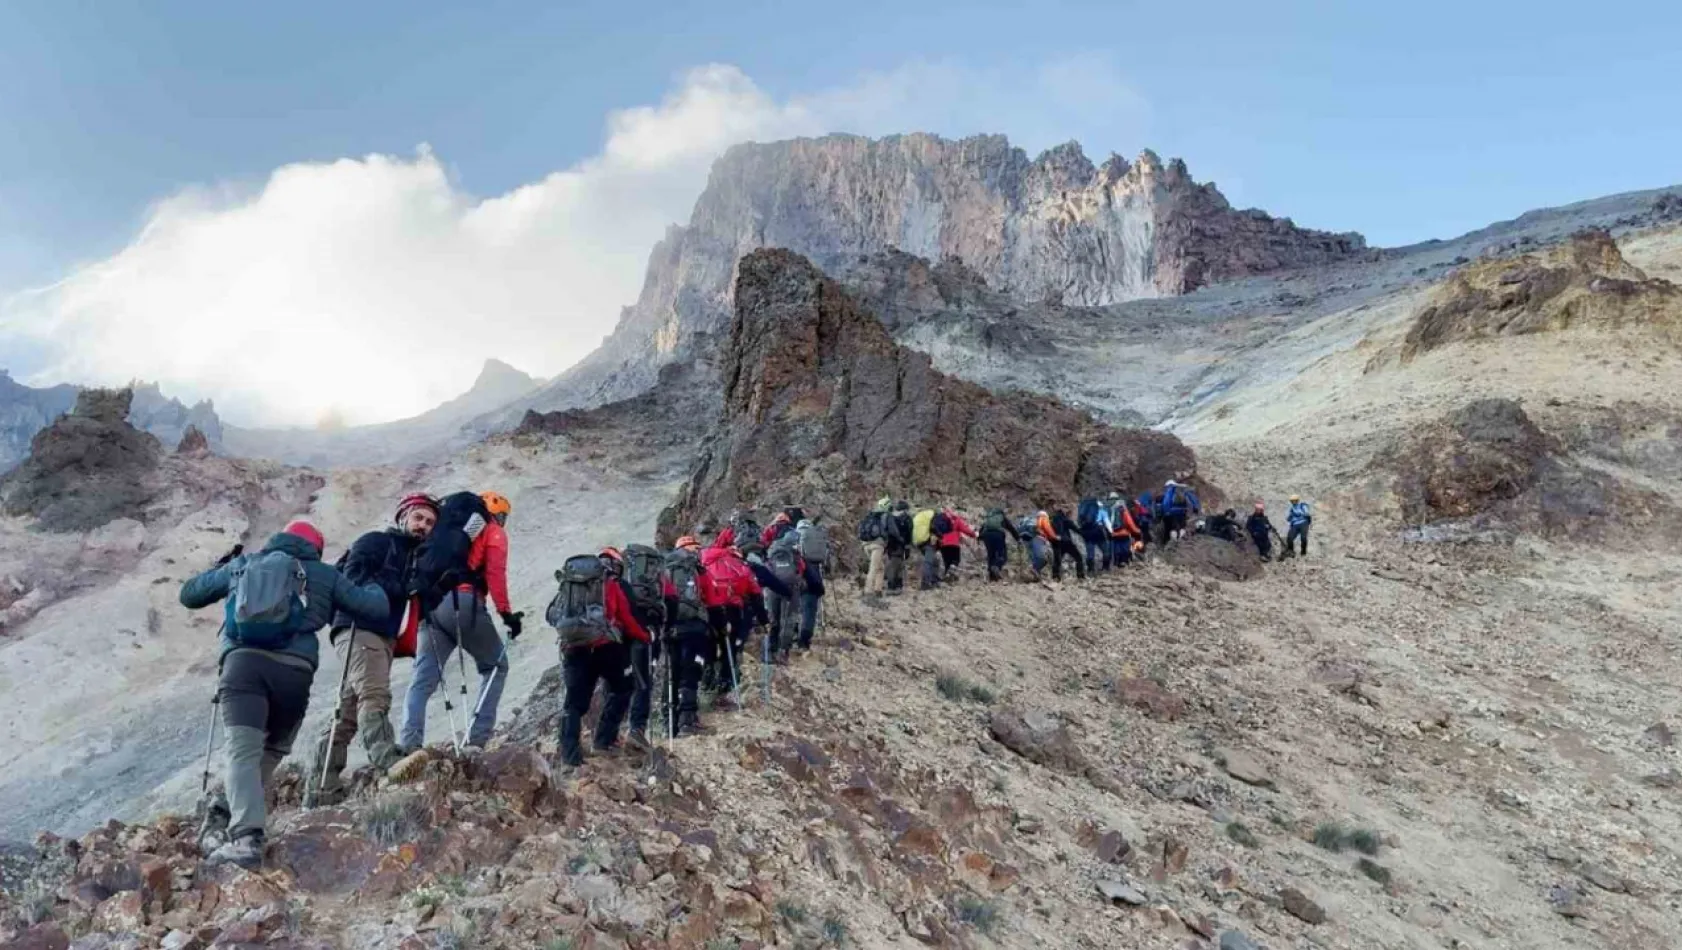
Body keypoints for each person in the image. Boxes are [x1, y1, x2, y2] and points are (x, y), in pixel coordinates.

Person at [179, 521, 387, 868]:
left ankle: (243, 836)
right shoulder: (324, 574)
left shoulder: (244, 564)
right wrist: (376, 585)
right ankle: (226, 820)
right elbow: (374, 609)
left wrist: (221, 568)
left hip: (244, 667)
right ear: (316, 549)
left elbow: (189, 595)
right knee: (270, 750)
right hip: (295, 673)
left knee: (243, 751)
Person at [311, 493, 438, 797]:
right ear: (403, 516)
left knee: (348, 713)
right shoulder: (376, 542)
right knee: (375, 694)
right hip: (360, 627)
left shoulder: (414, 558)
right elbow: (352, 576)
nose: (423, 525)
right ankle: (387, 759)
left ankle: (321, 786)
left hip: (378, 633)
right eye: (418, 517)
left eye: (430, 522)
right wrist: (402, 588)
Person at [401, 491, 521, 752]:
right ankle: (476, 740)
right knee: (495, 667)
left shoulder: (444, 531)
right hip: (461, 601)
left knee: (423, 679)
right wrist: (507, 614)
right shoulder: (493, 532)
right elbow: (495, 574)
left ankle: (409, 746)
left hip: (429, 606)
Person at [553, 549, 650, 767]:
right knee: (622, 688)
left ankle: (570, 757)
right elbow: (626, 617)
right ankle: (604, 741)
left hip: (574, 648)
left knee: (573, 704)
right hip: (607, 647)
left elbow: (553, 613)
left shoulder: (571, 584)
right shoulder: (611, 583)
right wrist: (645, 636)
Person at [614, 544, 667, 751]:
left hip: (620, 632)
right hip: (645, 630)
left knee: (620, 682)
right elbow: (669, 597)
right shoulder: (657, 574)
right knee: (643, 680)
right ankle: (636, 730)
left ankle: (611, 734)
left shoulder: (620, 574)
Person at [667, 537, 721, 735]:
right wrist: (719, 629)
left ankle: (670, 722)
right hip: (695, 628)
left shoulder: (665, 569)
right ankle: (687, 721)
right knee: (691, 671)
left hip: (671, 629)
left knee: (674, 673)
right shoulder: (698, 570)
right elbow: (713, 602)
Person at [859, 497, 892, 596]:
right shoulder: (885, 516)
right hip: (877, 545)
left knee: (880, 567)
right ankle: (868, 590)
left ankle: (878, 589)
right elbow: (889, 530)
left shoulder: (870, 515)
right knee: (873, 567)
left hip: (866, 544)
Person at [1047, 506, 1087, 581]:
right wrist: (1083, 534)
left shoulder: (1051, 521)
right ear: (1063, 513)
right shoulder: (1065, 519)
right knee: (1078, 558)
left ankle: (1055, 577)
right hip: (1066, 542)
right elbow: (1075, 528)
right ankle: (1080, 576)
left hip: (1056, 543)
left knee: (1057, 560)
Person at [936, 508, 976, 581]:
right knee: (956, 560)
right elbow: (965, 529)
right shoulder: (956, 519)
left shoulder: (940, 521)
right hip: (954, 544)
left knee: (947, 562)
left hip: (943, 544)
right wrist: (974, 534)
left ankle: (947, 577)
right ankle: (950, 573)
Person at [977, 508, 1017, 582]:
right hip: (998, 535)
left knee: (990, 555)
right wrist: (1018, 539)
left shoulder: (989, 518)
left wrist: (979, 538)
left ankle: (992, 576)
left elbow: (982, 529)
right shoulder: (1002, 518)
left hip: (986, 536)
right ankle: (996, 566)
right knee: (1002, 555)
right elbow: (1011, 529)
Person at [885, 501, 912, 593]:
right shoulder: (906, 518)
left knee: (895, 564)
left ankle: (895, 586)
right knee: (898, 565)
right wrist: (907, 546)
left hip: (890, 545)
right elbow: (909, 533)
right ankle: (894, 586)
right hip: (900, 545)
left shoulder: (890, 517)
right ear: (905, 510)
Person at [1108, 494, 1140, 566]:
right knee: (1125, 548)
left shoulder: (1108, 509)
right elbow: (1130, 523)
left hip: (1114, 534)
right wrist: (1137, 531)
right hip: (1124, 533)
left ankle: (1116, 563)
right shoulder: (1123, 510)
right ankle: (1124, 562)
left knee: (1116, 549)